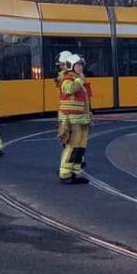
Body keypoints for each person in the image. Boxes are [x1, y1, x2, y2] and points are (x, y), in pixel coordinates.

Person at [57, 53, 92, 184]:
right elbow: (69, 90)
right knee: (72, 146)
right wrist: (80, 80)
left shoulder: (79, 80)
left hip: (82, 120)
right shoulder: (67, 79)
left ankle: (76, 172)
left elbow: (86, 102)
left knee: (81, 148)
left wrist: (89, 117)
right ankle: (65, 173)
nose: (80, 68)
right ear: (71, 66)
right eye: (77, 65)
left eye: (81, 65)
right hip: (71, 120)